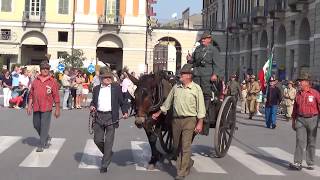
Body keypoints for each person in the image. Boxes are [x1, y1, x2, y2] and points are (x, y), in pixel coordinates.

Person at [152, 64, 206, 180]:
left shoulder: (196, 89)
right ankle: (188, 162)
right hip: (176, 120)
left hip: (189, 120)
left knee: (185, 146)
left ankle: (181, 172)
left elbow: (201, 107)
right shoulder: (176, 87)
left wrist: (200, 122)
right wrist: (159, 113)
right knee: (176, 146)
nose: (180, 76)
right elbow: (168, 102)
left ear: (188, 76)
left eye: (182, 74)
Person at [90, 67, 128, 173]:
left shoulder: (116, 88)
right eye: (106, 77)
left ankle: (104, 164)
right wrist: (92, 106)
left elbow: (122, 102)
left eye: (109, 77)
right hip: (98, 116)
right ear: (101, 78)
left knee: (108, 142)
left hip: (111, 117)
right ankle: (108, 153)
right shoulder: (96, 89)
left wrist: (125, 112)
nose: (108, 79)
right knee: (97, 140)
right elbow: (93, 101)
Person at [27, 61, 60, 152]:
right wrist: (29, 106)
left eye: (47, 69)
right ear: (40, 70)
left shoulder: (52, 82)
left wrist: (57, 109)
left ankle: (41, 144)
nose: (45, 70)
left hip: (47, 107)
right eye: (43, 69)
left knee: (44, 125)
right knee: (36, 124)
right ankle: (46, 136)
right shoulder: (35, 81)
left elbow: (56, 96)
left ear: (49, 70)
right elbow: (31, 95)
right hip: (36, 107)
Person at [289, 72, 320, 171]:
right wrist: (293, 121)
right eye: (299, 81)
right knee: (299, 141)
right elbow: (295, 109)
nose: (299, 83)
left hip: (313, 119)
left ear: (307, 82)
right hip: (300, 119)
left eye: (301, 81)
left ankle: (310, 162)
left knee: (311, 142)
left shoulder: (315, 93)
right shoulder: (298, 94)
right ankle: (297, 162)